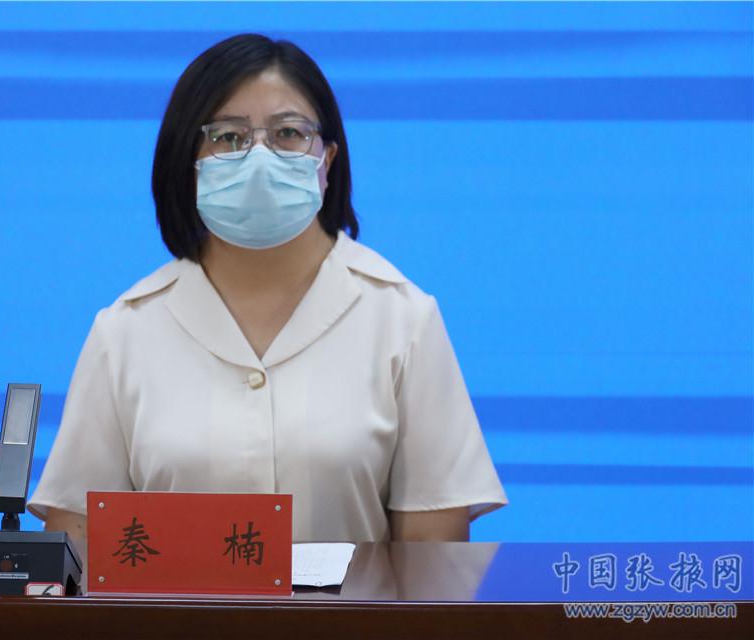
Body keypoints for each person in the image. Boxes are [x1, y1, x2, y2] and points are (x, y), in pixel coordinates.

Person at [28, 34, 508, 566]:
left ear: (327, 159)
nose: (259, 157)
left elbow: (434, 561)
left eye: (288, 133)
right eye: (228, 137)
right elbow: (78, 543)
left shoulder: (402, 318)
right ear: (188, 160)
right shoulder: (125, 330)